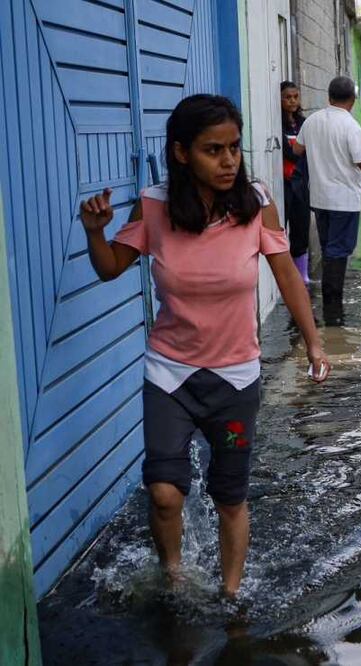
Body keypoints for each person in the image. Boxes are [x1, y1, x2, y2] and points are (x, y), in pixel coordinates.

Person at [78, 95, 330, 598]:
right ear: (181, 153)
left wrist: (314, 343)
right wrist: (94, 233)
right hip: (170, 374)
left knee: (230, 498)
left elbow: (287, 278)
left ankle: (230, 597)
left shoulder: (257, 204)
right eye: (213, 150)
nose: (229, 160)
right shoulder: (154, 206)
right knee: (165, 493)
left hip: (235, 379)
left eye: (234, 148)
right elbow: (109, 267)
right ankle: (175, 579)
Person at [294, 76, 361, 326]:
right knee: (337, 254)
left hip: (319, 199)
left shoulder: (312, 121)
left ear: (329, 97)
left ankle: (331, 310)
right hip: (343, 202)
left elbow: (298, 150)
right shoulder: (351, 127)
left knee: (330, 251)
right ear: (353, 100)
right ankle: (333, 312)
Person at [281, 81, 312, 285]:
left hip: (301, 183)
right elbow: (290, 153)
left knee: (301, 228)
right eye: (288, 97)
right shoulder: (277, 123)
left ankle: (302, 276)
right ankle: (284, 277)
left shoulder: (303, 123)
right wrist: (300, 149)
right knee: (281, 231)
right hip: (284, 183)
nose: (292, 101)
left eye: (295, 97)